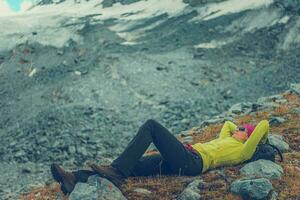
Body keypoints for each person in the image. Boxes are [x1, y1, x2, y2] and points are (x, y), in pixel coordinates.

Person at [51, 119, 269, 195]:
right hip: (183, 159)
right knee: (132, 166)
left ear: (248, 136)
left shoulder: (243, 150)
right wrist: (237, 128)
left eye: (242, 128)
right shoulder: (229, 138)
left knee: (151, 126)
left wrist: (259, 138)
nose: (235, 128)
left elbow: (263, 125)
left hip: (192, 162)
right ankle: (74, 178)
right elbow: (227, 125)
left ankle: (114, 172)